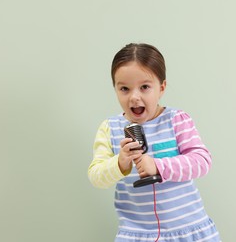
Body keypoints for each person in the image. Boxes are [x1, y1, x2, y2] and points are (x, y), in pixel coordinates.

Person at [88, 43, 221, 241]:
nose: (134, 97)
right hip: (138, 233)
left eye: (145, 87)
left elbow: (202, 161)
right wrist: (120, 163)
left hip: (188, 230)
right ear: (115, 89)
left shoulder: (176, 120)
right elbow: (96, 176)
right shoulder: (110, 128)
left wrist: (158, 166)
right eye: (124, 88)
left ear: (161, 88)